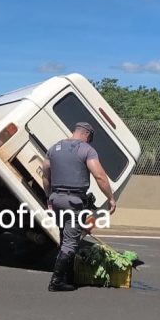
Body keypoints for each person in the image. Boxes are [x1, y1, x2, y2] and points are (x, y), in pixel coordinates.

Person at [42, 122, 116, 292]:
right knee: (70, 242)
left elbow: (46, 175)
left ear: (74, 131)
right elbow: (99, 176)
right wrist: (110, 198)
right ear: (87, 135)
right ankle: (56, 282)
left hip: (56, 198)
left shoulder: (54, 148)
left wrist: (49, 198)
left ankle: (67, 276)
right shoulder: (86, 150)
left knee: (65, 237)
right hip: (73, 201)